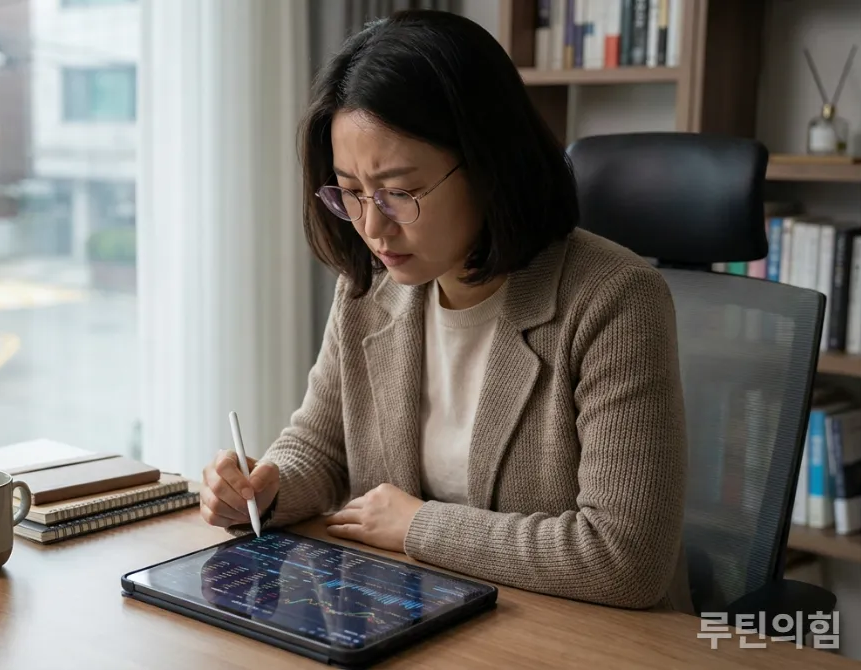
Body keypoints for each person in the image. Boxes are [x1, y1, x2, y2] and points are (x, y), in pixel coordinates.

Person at [199, 9, 691, 613]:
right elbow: (323, 447)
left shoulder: (615, 300)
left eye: (399, 192)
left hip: (576, 639)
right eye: (350, 192)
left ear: (489, 165)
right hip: (422, 616)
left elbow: (625, 558)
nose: (372, 228)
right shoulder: (370, 286)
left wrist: (418, 528)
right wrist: (266, 487)